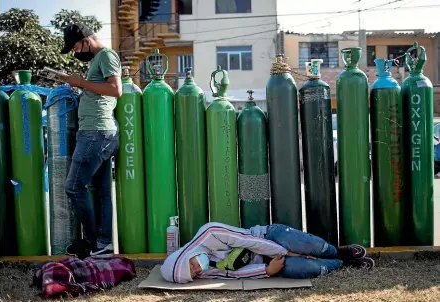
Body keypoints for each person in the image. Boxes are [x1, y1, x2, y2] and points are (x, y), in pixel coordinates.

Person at [60, 23, 122, 258]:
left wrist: (81, 82)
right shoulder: (98, 59)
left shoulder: (106, 55)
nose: (75, 52)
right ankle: (103, 244)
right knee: (102, 190)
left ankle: (93, 242)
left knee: (73, 187)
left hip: (96, 133)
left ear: (86, 39)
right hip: (99, 132)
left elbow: (116, 90)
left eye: (75, 47)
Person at [161, 222, 374, 283]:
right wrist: (267, 271)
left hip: (268, 237)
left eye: (191, 265)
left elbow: (249, 241)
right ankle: (341, 263)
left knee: (301, 244)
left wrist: (287, 253)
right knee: (306, 268)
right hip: (267, 261)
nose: (198, 268)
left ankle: (336, 251)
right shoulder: (206, 270)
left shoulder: (209, 233)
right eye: (195, 274)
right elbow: (232, 275)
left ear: (183, 255)